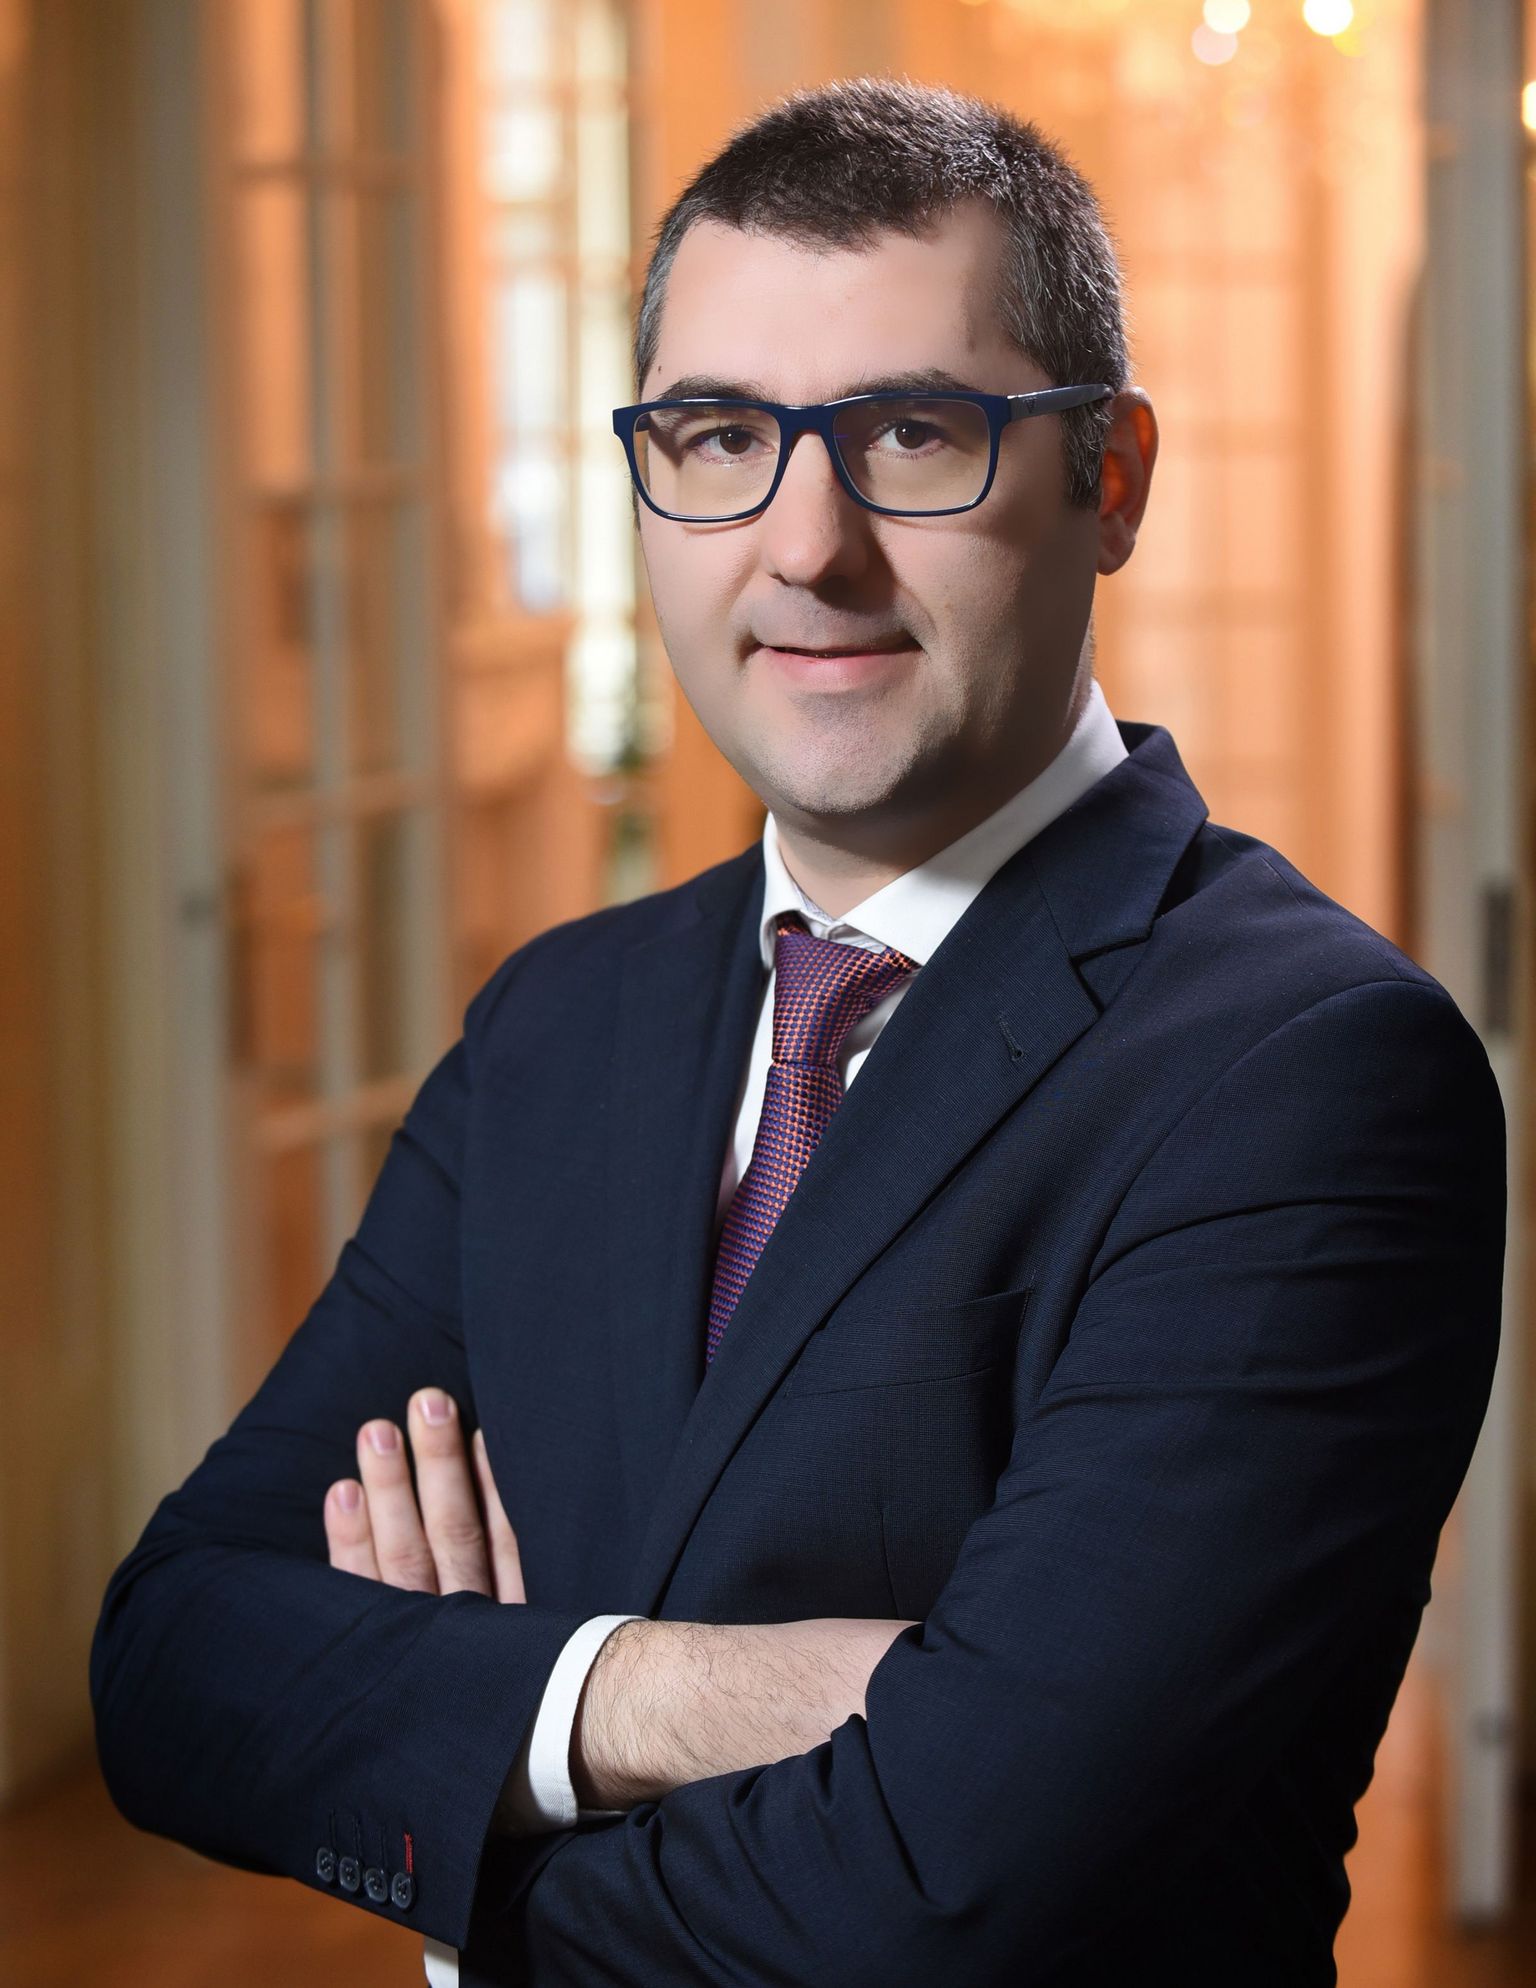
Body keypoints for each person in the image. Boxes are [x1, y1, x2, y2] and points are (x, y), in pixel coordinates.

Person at [90, 77, 1507, 1988]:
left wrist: (449, 1765)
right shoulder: (557, 1025)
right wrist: (643, 1695)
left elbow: (948, 1893)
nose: (806, 546)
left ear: (1110, 480)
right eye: (722, 437)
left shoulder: (1312, 1073)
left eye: (914, 434)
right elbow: (174, 1659)